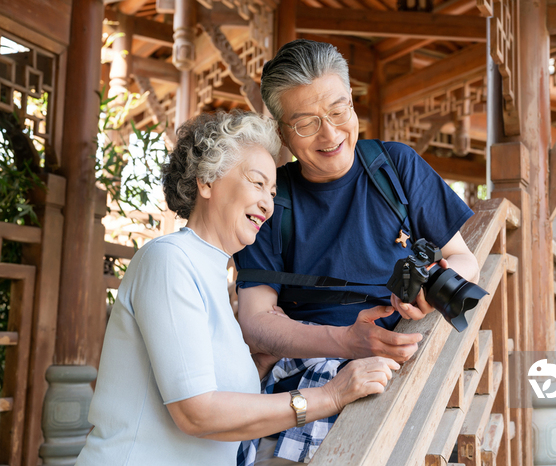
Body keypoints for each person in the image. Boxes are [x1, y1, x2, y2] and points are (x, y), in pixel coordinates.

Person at [75, 111, 399, 466]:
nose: (268, 203)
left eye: (273, 192)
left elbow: (213, 393)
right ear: (207, 182)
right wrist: (331, 394)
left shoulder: (213, 275)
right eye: (257, 183)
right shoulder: (169, 259)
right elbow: (197, 413)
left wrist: (259, 366)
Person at [234, 39, 481, 464]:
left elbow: (464, 259)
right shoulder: (271, 199)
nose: (330, 134)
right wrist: (347, 343)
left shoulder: (396, 167)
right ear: (281, 133)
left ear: (353, 103)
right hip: (311, 361)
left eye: (337, 110)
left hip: (404, 348)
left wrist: (426, 294)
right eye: (307, 123)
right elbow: (255, 320)